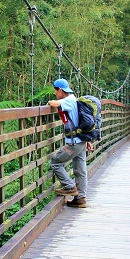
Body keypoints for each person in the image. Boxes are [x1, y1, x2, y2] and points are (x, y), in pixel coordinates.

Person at [48, 78, 91, 208]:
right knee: (80, 170)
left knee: (55, 162)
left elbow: (54, 103)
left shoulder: (69, 100)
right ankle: (80, 198)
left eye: (55, 91)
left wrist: (50, 101)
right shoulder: (74, 99)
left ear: (60, 90)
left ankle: (69, 186)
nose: (55, 93)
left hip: (74, 143)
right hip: (81, 140)